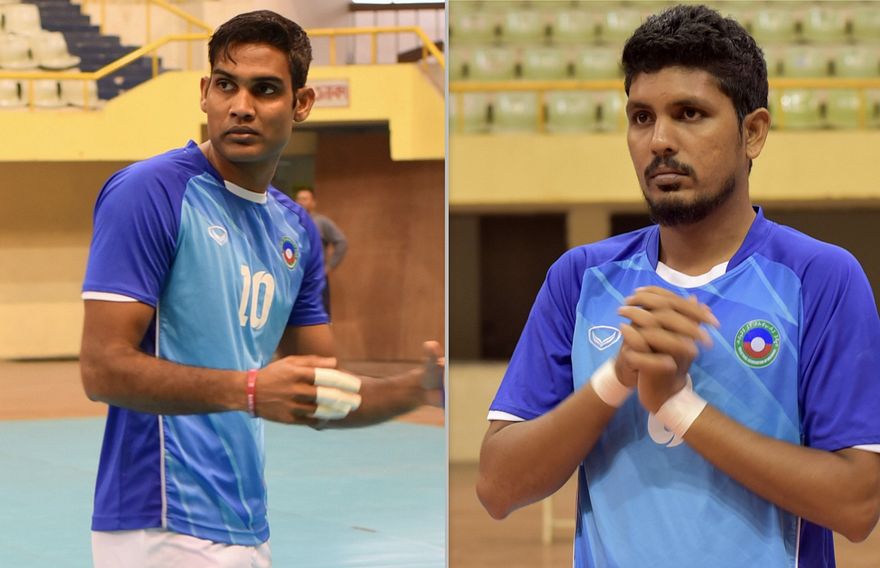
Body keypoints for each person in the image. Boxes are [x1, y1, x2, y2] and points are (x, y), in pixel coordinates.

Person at [476, 5, 880, 567]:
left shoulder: (821, 278)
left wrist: (679, 406)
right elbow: (497, 487)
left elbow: (857, 505)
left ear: (753, 132)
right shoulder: (579, 278)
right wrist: (616, 378)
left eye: (689, 113)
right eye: (641, 117)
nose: (659, 140)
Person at [79, 10, 442, 567]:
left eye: (265, 90)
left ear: (302, 103)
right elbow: (101, 368)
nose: (241, 106)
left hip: (245, 522)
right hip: (159, 519)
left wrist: (417, 388)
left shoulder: (295, 228)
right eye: (227, 85)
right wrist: (249, 390)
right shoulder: (149, 193)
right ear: (205, 92)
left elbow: (319, 393)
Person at [293, 186, 348, 316]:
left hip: (316, 277)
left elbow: (341, 242)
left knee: (319, 315)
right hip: (294, 276)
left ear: (313, 202)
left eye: (305, 199)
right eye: (298, 199)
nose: (301, 202)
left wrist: (329, 267)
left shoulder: (321, 222)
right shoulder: (290, 222)